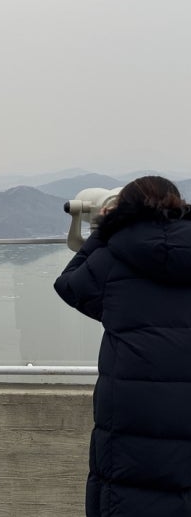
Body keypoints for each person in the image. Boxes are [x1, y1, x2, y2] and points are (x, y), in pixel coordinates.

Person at [54, 175, 191, 517]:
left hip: (132, 402)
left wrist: (103, 230)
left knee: (127, 485)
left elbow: (70, 285)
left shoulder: (113, 256)